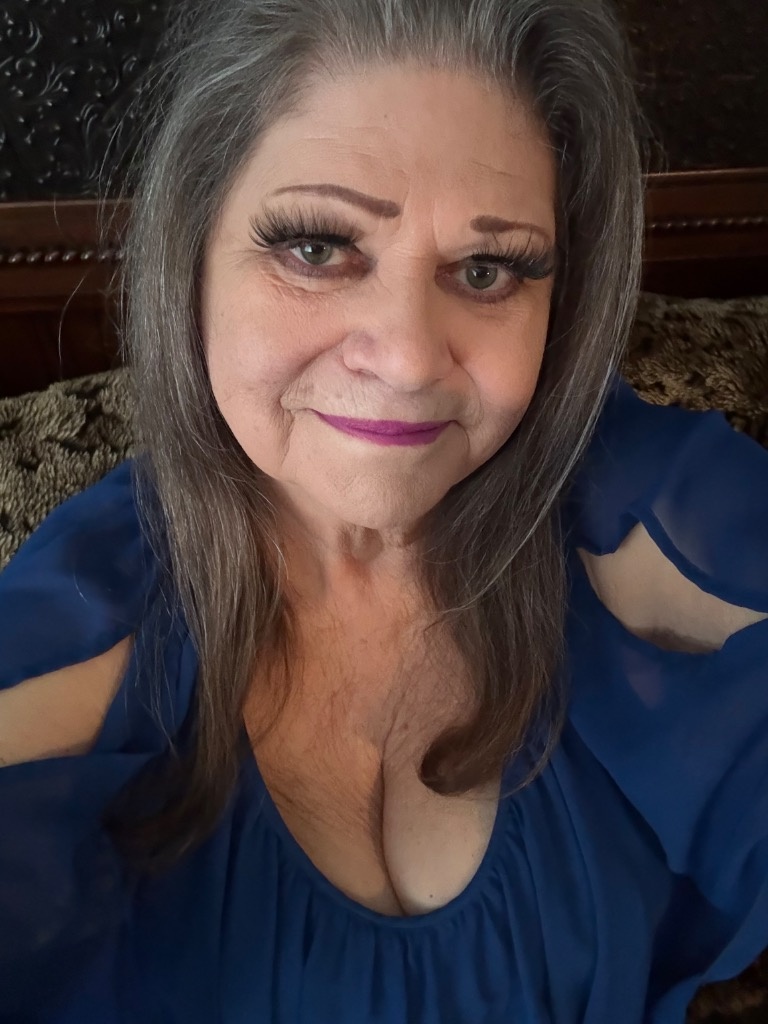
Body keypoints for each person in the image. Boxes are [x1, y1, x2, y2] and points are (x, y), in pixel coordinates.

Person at [1, 0, 767, 1020]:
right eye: (319, 250)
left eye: (487, 270)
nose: (407, 358)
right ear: (192, 253)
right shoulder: (82, 620)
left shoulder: (641, 500)